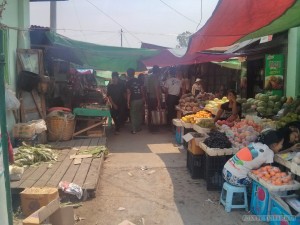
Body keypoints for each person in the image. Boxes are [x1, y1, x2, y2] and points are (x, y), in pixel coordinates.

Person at [126, 68, 145, 134]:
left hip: (133, 100)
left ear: (128, 74)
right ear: (134, 73)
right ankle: (138, 128)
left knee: (133, 114)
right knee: (139, 113)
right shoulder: (139, 80)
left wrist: (128, 102)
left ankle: (134, 130)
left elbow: (129, 93)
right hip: (140, 99)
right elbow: (142, 90)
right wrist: (143, 98)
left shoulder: (128, 82)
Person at [145, 65, 161, 132]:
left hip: (149, 97)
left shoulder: (148, 77)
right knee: (154, 112)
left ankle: (149, 126)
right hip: (154, 97)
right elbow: (156, 88)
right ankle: (154, 128)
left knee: (149, 112)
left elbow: (144, 87)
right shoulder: (156, 78)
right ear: (157, 71)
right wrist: (158, 100)